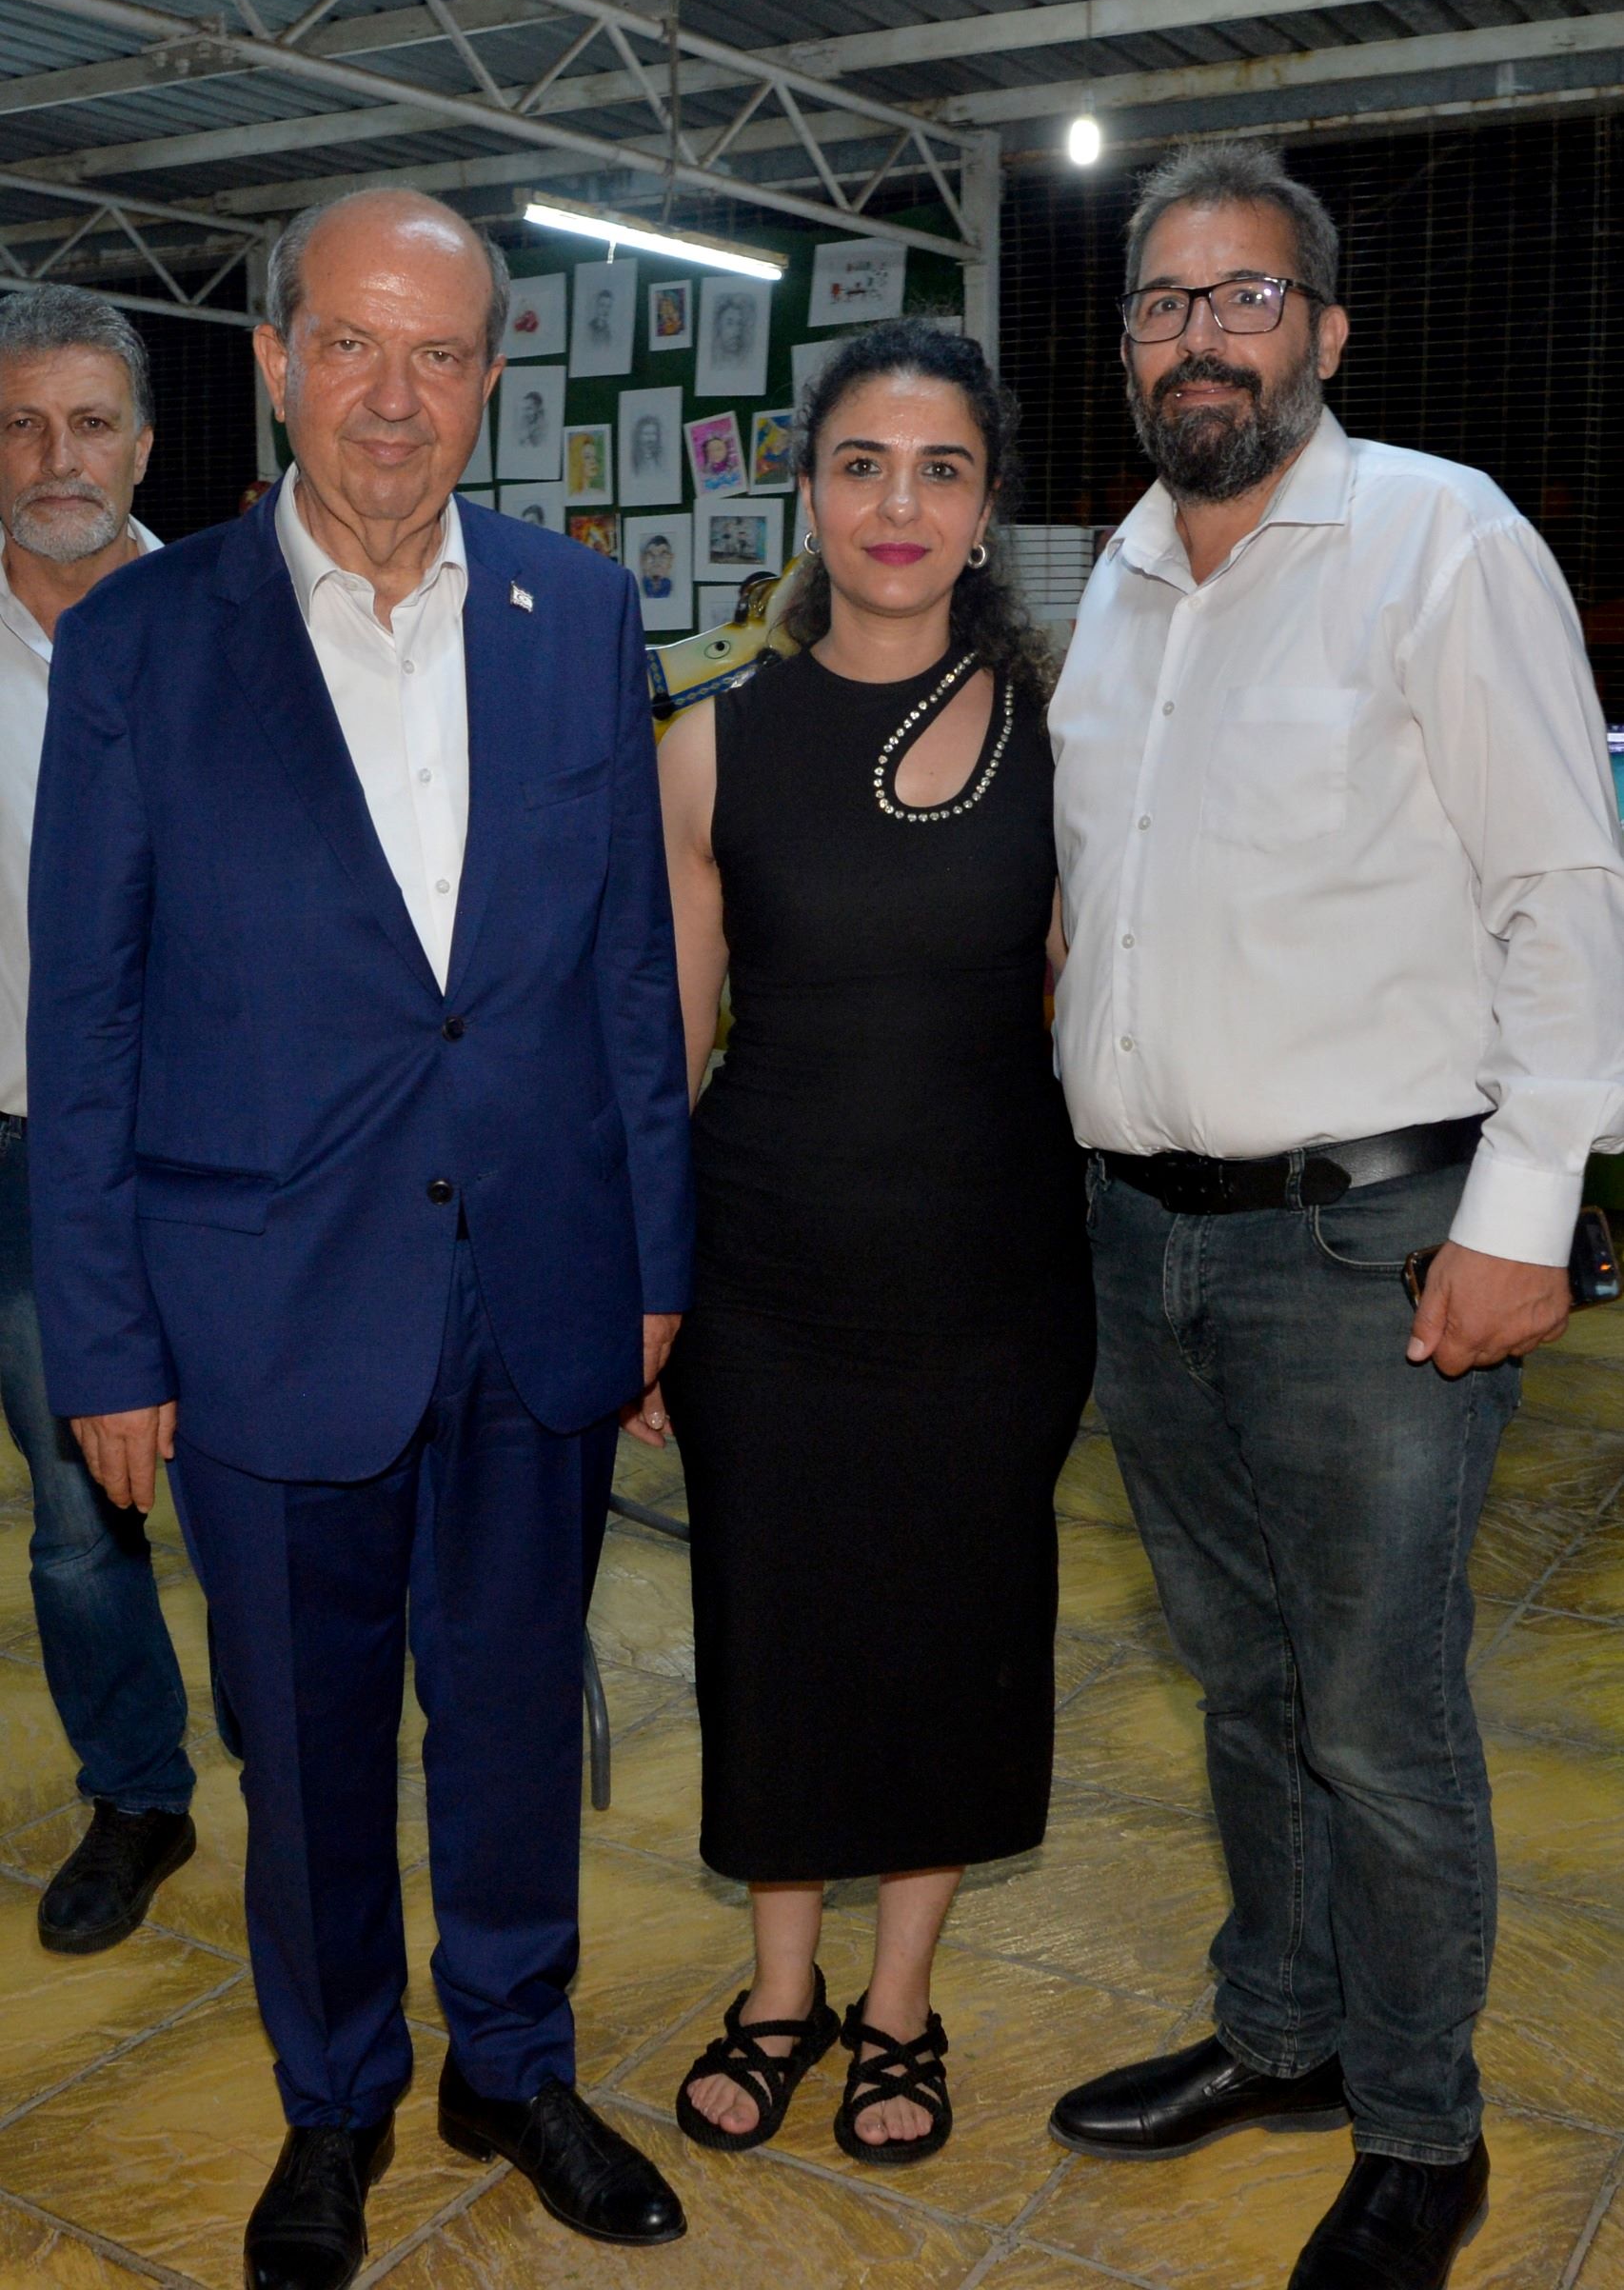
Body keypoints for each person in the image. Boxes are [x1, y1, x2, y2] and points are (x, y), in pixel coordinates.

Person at [27, 189, 693, 2290]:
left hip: (538, 1285)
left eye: (437, 354)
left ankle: (513, 2059)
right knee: (306, 1749)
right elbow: (84, 1020)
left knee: (512, 1712)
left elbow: (626, 982)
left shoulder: (579, 613)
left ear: (489, 376)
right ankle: (336, 2101)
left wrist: (653, 1266)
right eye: (350, 346)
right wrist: (105, 1342)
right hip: (259, 1308)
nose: (392, 399)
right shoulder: (143, 640)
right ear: (274, 362)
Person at [1046, 140, 1624, 2290]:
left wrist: (1525, 1213)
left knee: (1376, 1714)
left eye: (1245, 296)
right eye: (1164, 302)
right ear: (1127, 347)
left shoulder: (1439, 540)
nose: (1201, 335)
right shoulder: (1116, 585)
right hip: (1146, 1245)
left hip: (1367, 1249)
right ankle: (1278, 2030)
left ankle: (1417, 2123)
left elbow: (1562, 887)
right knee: (1240, 1681)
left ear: (1324, 332)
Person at [649, 320, 1092, 2166]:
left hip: (993, 1281)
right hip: (763, 1283)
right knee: (772, 1633)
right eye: (860, 464)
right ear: (807, 493)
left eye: (939, 469)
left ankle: (898, 2001)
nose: (896, 505)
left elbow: (1092, 1015)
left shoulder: (1071, 746)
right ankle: (782, 1989)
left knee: (951, 1633)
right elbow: (665, 1056)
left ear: (985, 510)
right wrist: (645, 1298)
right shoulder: (707, 744)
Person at [0, 286, 199, 1955]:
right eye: (20, 424)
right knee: (77, 1518)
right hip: (22, 1157)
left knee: (281, 1485)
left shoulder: (235, 627)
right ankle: (138, 1792)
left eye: (88, 423)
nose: (55, 457)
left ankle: (312, 1765)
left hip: (222, 1154)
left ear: (143, 444)